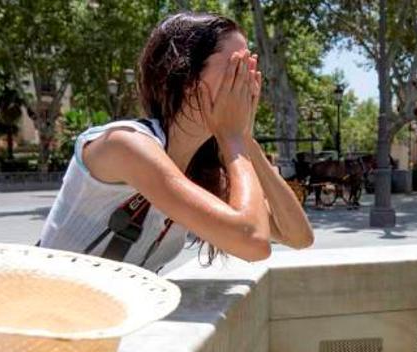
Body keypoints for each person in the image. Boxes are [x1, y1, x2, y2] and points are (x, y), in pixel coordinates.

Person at [39, 12, 313, 271]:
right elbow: (252, 242)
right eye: (236, 67)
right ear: (188, 80)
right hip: (50, 311)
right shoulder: (125, 144)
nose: (247, 81)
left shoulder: (203, 169)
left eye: (251, 69)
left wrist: (245, 139)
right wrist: (233, 139)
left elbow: (298, 236)